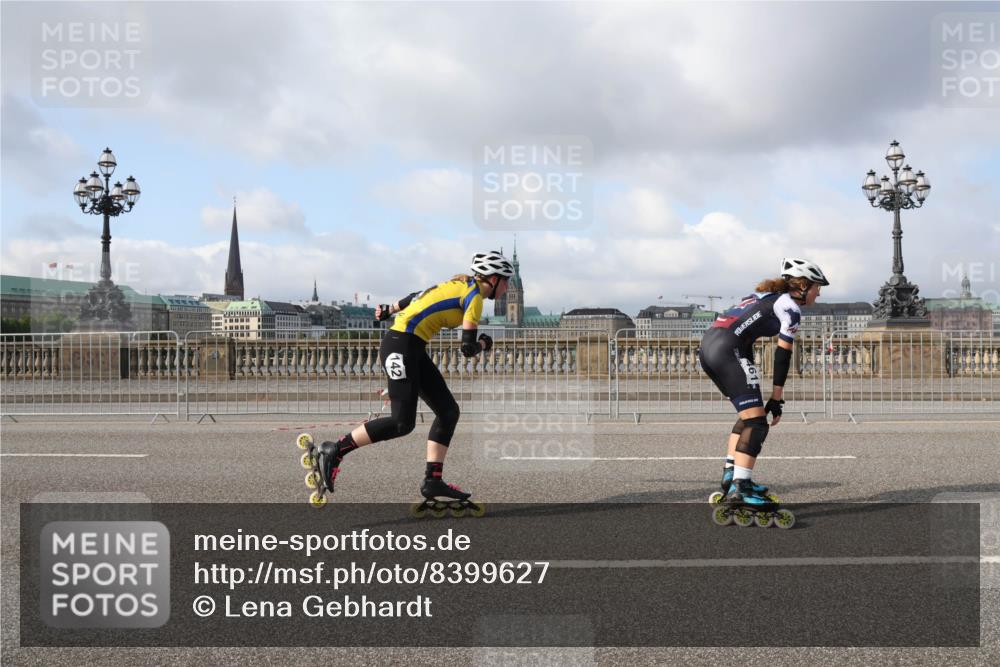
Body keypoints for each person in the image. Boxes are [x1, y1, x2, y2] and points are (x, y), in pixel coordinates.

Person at [314, 250, 513, 507]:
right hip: (401, 346)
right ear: (492, 279)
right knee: (401, 422)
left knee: (448, 411)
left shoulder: (459, 283)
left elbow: (418, 295)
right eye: (506, 280)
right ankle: (335, 449)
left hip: (410, 347)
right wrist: (485, 344)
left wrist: (390, 309)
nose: (508, 287)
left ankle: (433, 480)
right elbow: (467, 349)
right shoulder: (474, 297)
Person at [699, 257, 828, 517]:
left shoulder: (765, 295)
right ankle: (741, 486)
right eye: (817, 287)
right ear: (802, 286)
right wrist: (776, 398)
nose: (819, 292)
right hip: (728, 351)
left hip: (710, 346)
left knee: (748, 416)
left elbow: (738, 327)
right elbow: (783, 356)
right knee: (757, 423)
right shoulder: (790, 307)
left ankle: (731, 475)